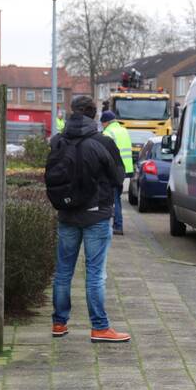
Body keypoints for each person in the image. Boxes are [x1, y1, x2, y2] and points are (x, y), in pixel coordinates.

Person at [46, 95, 131, 343]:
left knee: (63, 272)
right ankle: (100, 327)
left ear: (73, 112)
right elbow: (118, 177)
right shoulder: (103, 142)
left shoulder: (57, 141)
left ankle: (59, 323)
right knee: (95, 273)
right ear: (94, 114)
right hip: (96, 216)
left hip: (67, 213)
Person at [100, 111, 133, 235]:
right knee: (117, 198)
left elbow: (106, 154)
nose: (102, 126)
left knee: (113, 199)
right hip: (125, 170)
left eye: (102, 123)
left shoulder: (108, 132)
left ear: (106, 122)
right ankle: (117, 225)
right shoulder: (124, 130)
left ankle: (117, 226)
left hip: (113, 171)